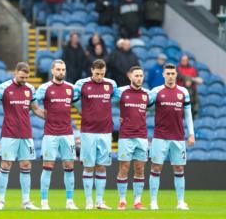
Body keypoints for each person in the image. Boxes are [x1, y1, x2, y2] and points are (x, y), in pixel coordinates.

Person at [0, 62, 46, 210]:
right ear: (15, 73)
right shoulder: (4, 88)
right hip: (9, 133)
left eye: (26, 77)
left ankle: (26, 202)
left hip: (26, 133)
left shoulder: (30, 89)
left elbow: (36, 109)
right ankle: (0, 201)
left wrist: (52, 117)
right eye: (22, 77)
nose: (24, 80)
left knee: (26, 165)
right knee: (6, 165)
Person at [148, 63, 195, 210]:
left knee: (179, 168)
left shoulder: (183, 92)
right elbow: (144, 109)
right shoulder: (156, 92)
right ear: (163, 75)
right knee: (156, 167)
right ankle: (153, 202)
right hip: (160, 136)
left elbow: (188, 114)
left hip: (178, 137)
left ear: (176, 75)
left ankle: (181, 202)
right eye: (167, 73)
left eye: (172, 74)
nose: (170, 76)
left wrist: (191, 134)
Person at [74, 59, 119, 210]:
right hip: (88, 131)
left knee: (101, 166)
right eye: (97, 73)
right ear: (91, 70)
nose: (99, 76)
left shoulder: (111, 84)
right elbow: (73, 99)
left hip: (106, 131)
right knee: (88, 166)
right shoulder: (81, 84)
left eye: (102, 73)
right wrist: (81, 110)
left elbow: (119, 99)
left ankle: (99, 201)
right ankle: (88, 202)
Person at [35, 60, 79, 210]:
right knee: (48, 166)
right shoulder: (44, 88)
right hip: (50, 133)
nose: (61, 72)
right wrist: (45, 116)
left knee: (69, 165)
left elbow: (80, 106)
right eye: (58, 69)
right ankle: (44, 201)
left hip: (67, 133)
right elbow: (33, 104)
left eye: (63, 69)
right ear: (53, 71)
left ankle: (69, 201)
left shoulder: (71, 89)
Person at [116, 66, 154, 210]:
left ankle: (137, 201)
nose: (139, 78)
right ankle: (122, 200)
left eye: (141, 75)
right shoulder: (120, 92)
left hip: (142, 137)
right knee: (124, 168)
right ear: (130, 76)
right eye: (136, 75)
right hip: (126, 136)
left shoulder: (147, 94)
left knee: (140, 169)